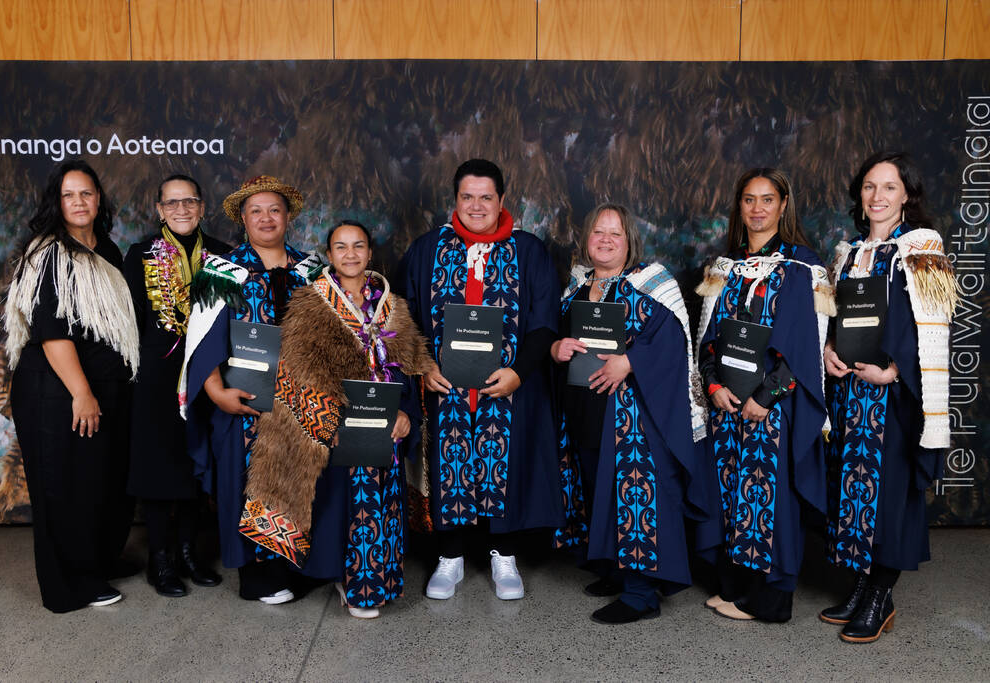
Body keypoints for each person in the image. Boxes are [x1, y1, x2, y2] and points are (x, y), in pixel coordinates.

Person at [245, 220, 434, 617]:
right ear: (329, 255)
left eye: (358, 246)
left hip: (384, 425)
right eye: (341, 247)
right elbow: (296, 375)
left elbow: (408, 370)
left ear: (369, 252)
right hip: (335, 425)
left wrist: (405, 414)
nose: (350, 254)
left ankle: (379, 579)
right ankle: (351, 582)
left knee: (383, 502)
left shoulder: (392, 306)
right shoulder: (309, 303)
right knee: (344, 506)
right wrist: (330, 418)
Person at [399, 158, 563, 601]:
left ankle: (502, 553)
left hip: (505, 387)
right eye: (467, 196)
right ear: (454, 200)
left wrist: (518, 372)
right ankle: (449, 556)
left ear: (502, 200)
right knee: (450, 460)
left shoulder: (527, 251)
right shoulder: (427, 250)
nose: (476, 205)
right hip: (446, 388)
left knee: (500, 462)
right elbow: (403, 316)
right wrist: (423, 365)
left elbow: (544, 323)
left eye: (485, 197)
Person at [550, 203, 711, 623]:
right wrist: (557, 348)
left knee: (636, 496)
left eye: (615, 234)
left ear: (630, 242)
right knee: (595, 492)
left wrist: (631, 361)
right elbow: (560, 339)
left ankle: (641, 594)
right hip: (586, 411)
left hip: (634, 417)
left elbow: (675, 343)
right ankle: (616, 570)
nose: (605, 240)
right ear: (587, 239)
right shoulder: (577, 286)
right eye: (598, 232)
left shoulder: (653, 284)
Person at [821, 151, 956, 643]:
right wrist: (829, 350)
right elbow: (835, 319)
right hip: (852, 395)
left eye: (889, 188)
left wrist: (897, 371)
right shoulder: (847, 253)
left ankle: (880, 596)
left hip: (895, 398)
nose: (877, 197)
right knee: (852, 490)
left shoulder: (923, 248)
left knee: (888, 498)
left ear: (907, 197)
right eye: (869, 187)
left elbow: (936, 323)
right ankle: (860, 587)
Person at [695, 168, 833, 623]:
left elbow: (806, 346)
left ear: (783, 204)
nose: (757, 208)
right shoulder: (726, 267)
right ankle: (737, 590)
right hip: (727, 404)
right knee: (733, 495)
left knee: (767, 498)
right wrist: (712, 384)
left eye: (767, 199)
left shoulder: (802, 267)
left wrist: (767, 397)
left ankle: (770, 601)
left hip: (771, 405)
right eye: (749, 200)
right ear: (740, 206)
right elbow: (709, 339)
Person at [179, 175, 323, 604]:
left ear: (288, 217)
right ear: (243, 218)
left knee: (300, 478)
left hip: (301, 400)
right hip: (244, 399)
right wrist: (217, 391)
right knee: (249, 481)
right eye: (256, 210)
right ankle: (258, 576)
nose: (265, 217)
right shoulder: (221, 270)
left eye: (274, 210)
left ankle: (295, 564)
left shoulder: (313, 267)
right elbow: (202, 339)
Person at [4, 159, 139, 612]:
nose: (79, 202)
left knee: (98, 481)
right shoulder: (50, 254)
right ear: (56, 203)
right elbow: (52, 331)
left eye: (86, 193)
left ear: (99, 199)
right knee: (65, 487)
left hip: (101, 384)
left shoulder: (108, 249)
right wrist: (81, 392)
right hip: (56, 389)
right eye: (69, 195)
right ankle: (71, 584)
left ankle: (95, 560)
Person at [123, 174, 230, 597]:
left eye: (190, 202)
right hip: (155, 378)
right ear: (159, 210)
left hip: (207, 375)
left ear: (203, 207)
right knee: (157, 465)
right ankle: (160, 558)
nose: (181, 210)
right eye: (172, 203)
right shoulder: (140, 254)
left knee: (194, 462)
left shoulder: (222, 255)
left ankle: (189, 551)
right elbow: (129, 322)